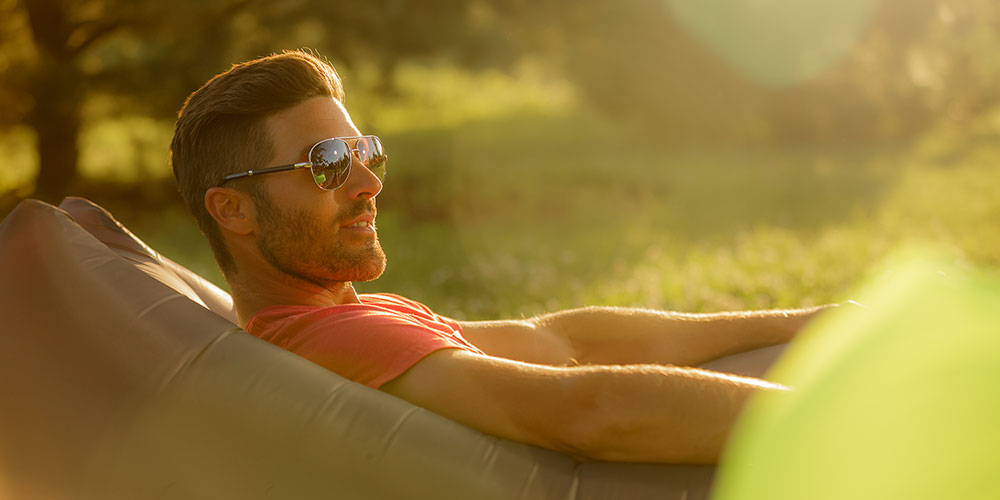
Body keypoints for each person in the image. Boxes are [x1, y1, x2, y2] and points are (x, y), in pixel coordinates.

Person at [170, 49, 830, 465]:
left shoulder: (348, 315)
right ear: (232, 210)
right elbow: (588, 409)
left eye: (365, 151)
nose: (369, 183)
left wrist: (787, 323)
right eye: (328, 163)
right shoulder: (329, 336)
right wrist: (849, 418)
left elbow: (557, 340)